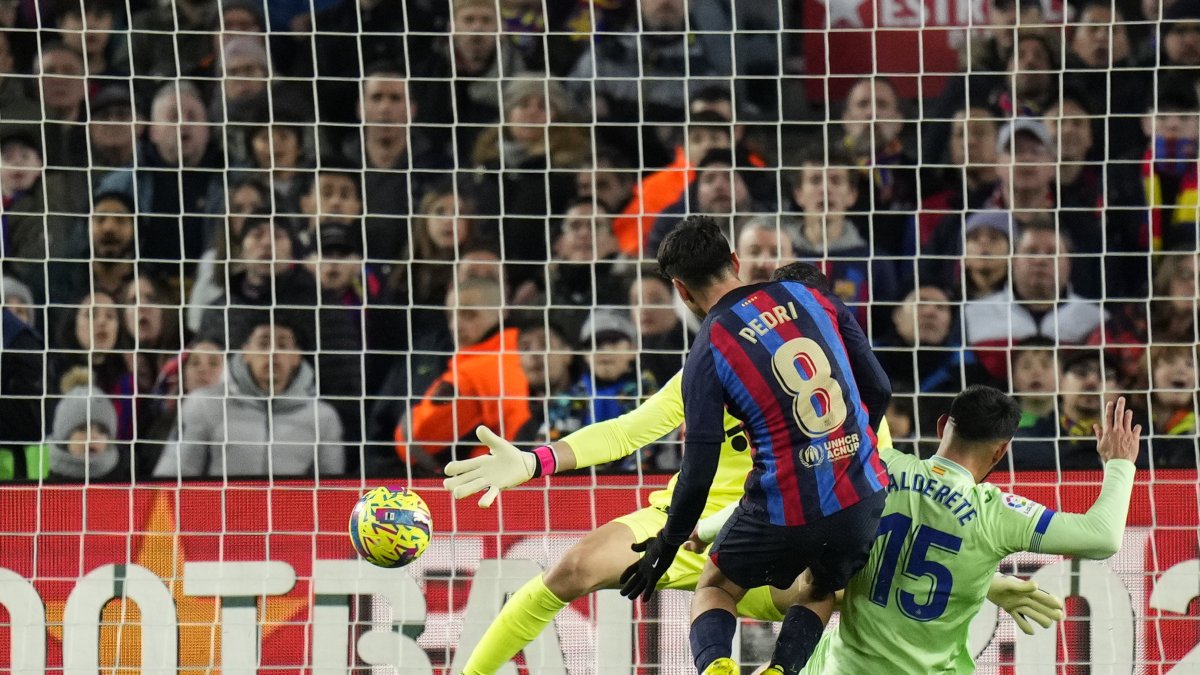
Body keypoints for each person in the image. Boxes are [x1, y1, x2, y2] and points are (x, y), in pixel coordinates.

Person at [443, 261, 1052, 675]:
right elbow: (631, 429)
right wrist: (534, 459)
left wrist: (985, 581)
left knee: (832, 592)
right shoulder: (718, 361)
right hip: (688, 526)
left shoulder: (848, 407)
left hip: (780, 535)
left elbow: (889, 499)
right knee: (573, 568)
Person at [693, 386, 1137, 674]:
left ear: (943, 426)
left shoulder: (878, 466)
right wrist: (1119, 464)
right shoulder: (996, 513)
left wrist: (709, 528)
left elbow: (787, 490)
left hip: (842, 667)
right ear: (1001, 453)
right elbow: (1101, 536)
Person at [622, 218, 892, 675]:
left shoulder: (706, 352)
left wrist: (666, 547)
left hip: (782, 507)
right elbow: (880, 388)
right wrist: (849, 451)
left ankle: (715, 667)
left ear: (682, 292)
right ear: (734, 262)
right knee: (820, 586)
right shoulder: (814, 297)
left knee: (716, 585)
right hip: (861, 496)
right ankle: (781, 670)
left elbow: (699, 468)